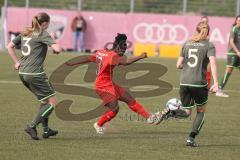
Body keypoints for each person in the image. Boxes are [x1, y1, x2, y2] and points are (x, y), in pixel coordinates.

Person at [66, 33, 160, 134]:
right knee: (115, 109)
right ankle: (98, 124)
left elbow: (89, 58)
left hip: (108, 83)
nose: (124, 51)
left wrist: (73, 63)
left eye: (125, 48)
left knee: (129, 98)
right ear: (117, 46)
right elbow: (126, 62)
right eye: (123, 48)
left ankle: (149, 117)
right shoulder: (113, 56)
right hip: (102, 86)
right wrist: (141, 56)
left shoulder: (101, 52)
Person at [157, 22, 219, 147]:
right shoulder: (209, 45)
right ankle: (191, 139)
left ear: (196, 30)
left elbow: (178, 65)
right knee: (201, 111)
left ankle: (171, 112)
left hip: (184, 82)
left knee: (186, 112)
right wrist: (216, 83)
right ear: (209, 32)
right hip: (198, 83)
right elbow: (212, 64)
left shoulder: (186, 43)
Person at [7, 12, 61, 140]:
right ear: (44, 23)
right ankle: (31, 126)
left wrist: (16, 62)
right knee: (53, 103)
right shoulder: (42, 33)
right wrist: (54, 43)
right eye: (48, 23)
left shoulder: (26, 32)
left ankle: (46, 131)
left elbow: (9, 46)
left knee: (44, 100)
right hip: (35, 74)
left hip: (23, 73)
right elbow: (58, 49)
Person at [216, 15, 240, 97]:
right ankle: (219, 90)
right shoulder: (234, 29)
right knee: (228, 71)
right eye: (239, 20)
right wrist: (237, 51)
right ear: (236, 21)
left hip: (238, 54)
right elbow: (231, 42)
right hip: (232, 54)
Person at [200, 16, 212, 89]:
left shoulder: (207, 29)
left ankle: (208, 85)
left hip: (206, 50)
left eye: (206, 21)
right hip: (199, 51)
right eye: (203, 21)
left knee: (209, 68)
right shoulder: (198, 29)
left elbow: (207, 39)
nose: (205, 23)